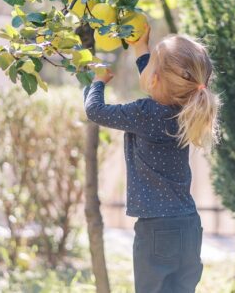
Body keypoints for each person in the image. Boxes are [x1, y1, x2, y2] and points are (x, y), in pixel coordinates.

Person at [83, 22, 220, 293]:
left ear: (154, 79)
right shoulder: (187, 106)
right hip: (188, 225)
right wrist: (141, 47)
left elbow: (95, 111)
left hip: (157, 229)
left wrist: (97, 82)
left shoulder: (145, 113)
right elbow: (160, 80)